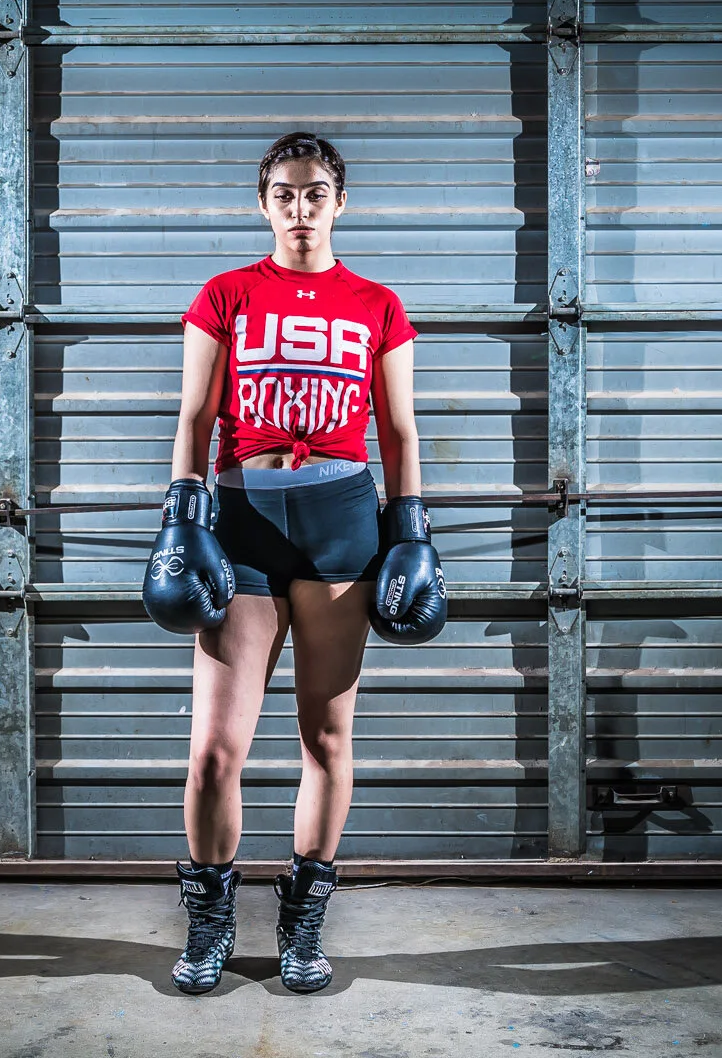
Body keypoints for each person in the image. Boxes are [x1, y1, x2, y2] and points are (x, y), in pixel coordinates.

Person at [141, 132, 448, 995]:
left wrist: (412, 529)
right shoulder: (225, 295)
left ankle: (303, 926)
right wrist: (180, 511)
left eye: (316, 193)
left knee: (327, 738)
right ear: (263, 200)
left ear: (340, 201)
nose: (300, 208)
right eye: (284, 192)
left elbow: (399, 429)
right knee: (213, 751)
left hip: (342, 522)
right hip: (241, 520)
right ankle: (208, 924)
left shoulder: (377, 303)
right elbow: (194, 415)